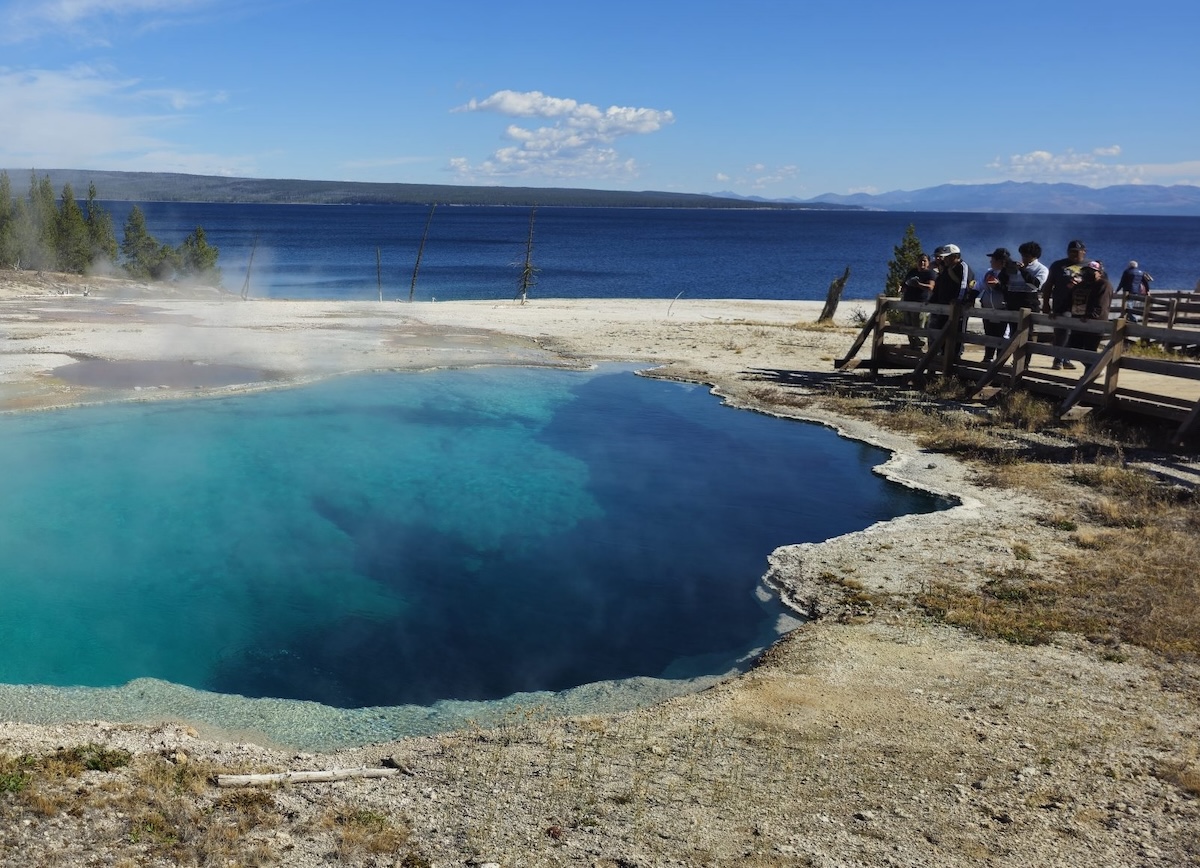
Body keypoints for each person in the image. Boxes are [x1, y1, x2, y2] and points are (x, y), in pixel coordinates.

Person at [1043, 239, 1089, 369]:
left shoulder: (1090, 265)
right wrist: (1046, 304)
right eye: (1071, 252)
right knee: (1062, 331)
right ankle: (1058, 359)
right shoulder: (1058, 265)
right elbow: (1048, 285)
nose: (1073, 254)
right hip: (1062, 304)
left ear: (1083, 252)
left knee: (1076, 334)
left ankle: (1066, 358)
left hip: (1082, 306)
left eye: (1076, 252)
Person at [929, 244, 976, 351]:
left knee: (957, 333)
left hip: (957, 308)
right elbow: (939, 284)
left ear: (954, 257)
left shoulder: (963, 267)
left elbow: (964, 285)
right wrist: (932, 300)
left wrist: (958, 300)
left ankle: (955, 357)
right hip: (943, 306)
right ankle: (943, 355)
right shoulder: (946, 268)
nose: (944, 259)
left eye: (947, 257)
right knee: (941, 332)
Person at [1067, 260, 1114, 352]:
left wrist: (1090, 316)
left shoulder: (1104, 284)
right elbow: (1070, 300)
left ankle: (1093, 366)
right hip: (1078, 322)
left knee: (1090, 350)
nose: (1088, 274)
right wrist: (1058, 311)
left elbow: (1101, 304)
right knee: (1075, 347)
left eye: (1092, 271)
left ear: (1099, 273)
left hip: (1095, 323)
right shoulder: (1081, 285)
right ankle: (1092, 366)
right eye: (1086, 271)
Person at [979, 248, 1011, 363]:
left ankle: (1000, 360)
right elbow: (979, 286)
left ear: (1002, 262)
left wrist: (998, 286)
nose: (991, 262)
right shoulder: (989, 273)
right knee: (989, 333)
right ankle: (988, 357)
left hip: (1003, 310)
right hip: (988, 309)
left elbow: (1011, 290)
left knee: (1002, 335)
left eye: (993, 259)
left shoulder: (1009, 274)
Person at [901, 252, 937, 348]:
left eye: (924, 261)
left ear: (928, 262)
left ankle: (920, 349)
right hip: (907, 302)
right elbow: (904, 283)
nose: (922, 263)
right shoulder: (912, 271)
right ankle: (912, 346)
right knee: (908, 327)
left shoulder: (930, 273)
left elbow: (931, 287)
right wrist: (902, 287)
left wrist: (918, 284)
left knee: (919, 328)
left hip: (920, 304)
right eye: (920, 261)